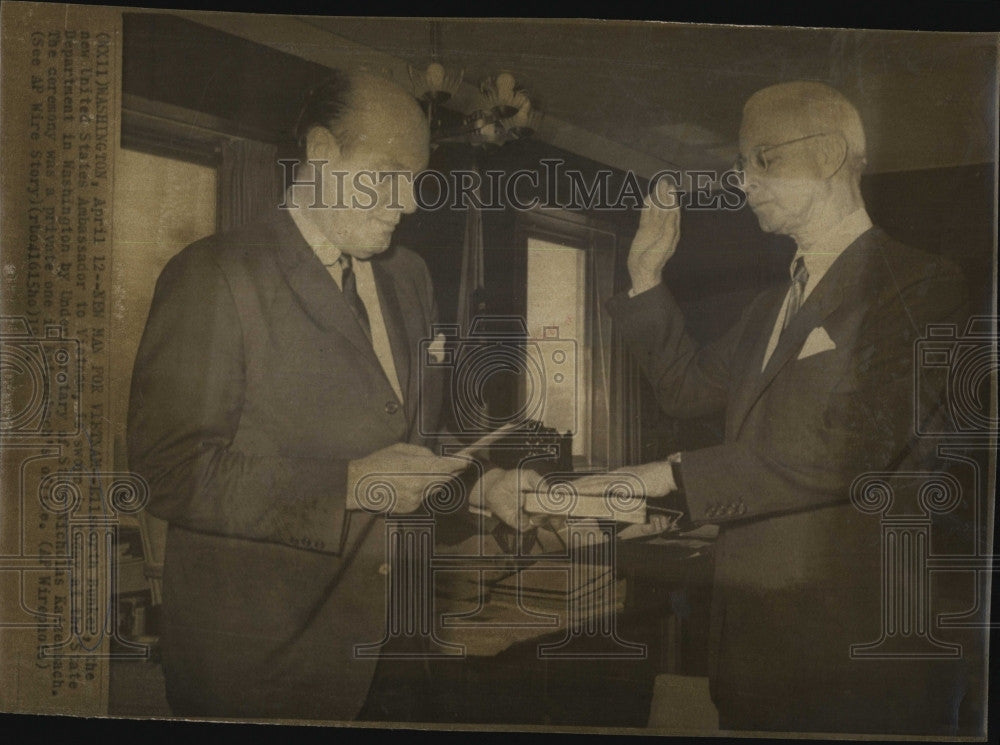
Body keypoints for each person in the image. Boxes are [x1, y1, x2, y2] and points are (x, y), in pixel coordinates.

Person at [127, 70, 526, 721]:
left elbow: (409, 440)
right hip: (263, 669)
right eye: (389, 173)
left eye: (418, 178)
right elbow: (169, 471)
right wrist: (347, 485)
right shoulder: (215, 275)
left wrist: (480, 485)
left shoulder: (409, 275)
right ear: (321, 151)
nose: (411, 202)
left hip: (399, 654)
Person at [575, 81, 972, 734]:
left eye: (762, 158)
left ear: (828, 155)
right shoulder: (771, 308)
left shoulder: (921, 284)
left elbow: (847, 447)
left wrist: (665, 476)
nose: (743, 181)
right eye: (741, 164)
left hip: (851, 666)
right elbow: (683, 388)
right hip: (750, 658)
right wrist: (647, 277)